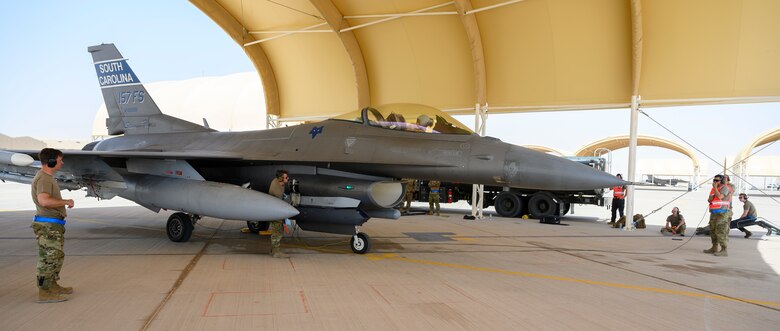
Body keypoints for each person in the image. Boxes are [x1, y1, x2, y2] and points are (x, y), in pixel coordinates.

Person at [31, 148, 75, 303]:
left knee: (56, 256)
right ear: (51, 161)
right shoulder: (44, 179)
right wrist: (66, 202)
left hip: (52, 225)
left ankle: (52, 285)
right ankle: (44, 292)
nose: (62, 163)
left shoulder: (47, 177)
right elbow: (44, 201)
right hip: (48, 225)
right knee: (48, 258)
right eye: (60, 160)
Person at [705, 175, 731, 257]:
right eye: (714, 180)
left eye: (717, 180)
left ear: (722, 181)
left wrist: (715, 188)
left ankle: (724, 250)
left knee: (721, 230)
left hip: (722, 213)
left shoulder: (725, 188)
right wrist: (713, 191)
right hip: (714, 213)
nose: (715, 182)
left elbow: (720, 197)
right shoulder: (713, 189)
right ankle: (714, 247)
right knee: (713, 230)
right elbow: (709, 200)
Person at [268, 169, 290, 258]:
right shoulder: (276, 189)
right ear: (280, 178)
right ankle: (275, 252)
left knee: (277, 230)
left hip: (275, 210)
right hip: (275, 211)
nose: (288, 179)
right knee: (277, 231)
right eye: (286, 177)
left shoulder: (279, 183)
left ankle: (273, 250)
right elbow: (278, 202)